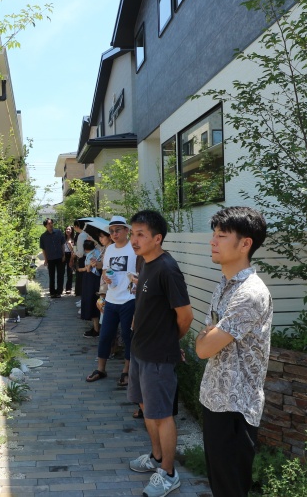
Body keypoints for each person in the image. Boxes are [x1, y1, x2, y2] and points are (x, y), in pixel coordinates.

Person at [195, 206, 271, 497]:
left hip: (236, 407)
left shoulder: (250, 292)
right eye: (214, 234)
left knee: (231, 489)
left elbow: (204, 347)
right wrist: (209, 337)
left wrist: (209, 337)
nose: (213, 241)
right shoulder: (225, 285)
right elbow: (204, 338)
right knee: (220, 486)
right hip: (215, 399)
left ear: (245, 244)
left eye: (222, 235)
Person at [126, 210, 193, 497]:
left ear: (157, 238)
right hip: (139, 350)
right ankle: (155, 458)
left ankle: (168, 473)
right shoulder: (145, 262)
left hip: (158, 356)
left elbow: (185, 316)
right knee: (146, 408)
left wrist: (169, 341)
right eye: (133, 234)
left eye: (140, 234)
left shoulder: (167, 268)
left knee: (162, 414)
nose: (134, 240)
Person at [86, 215, 136, 385]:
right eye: (112, 231)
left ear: (126, 230)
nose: (114, 234)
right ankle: (101, 369)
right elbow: (106, 270)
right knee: (105, 335)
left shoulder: (134, 247)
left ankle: (126, 371)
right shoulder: (110, 250)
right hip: (112, 299)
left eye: (118, 230)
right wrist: (106, 279)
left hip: (129, 299)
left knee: (128, 337)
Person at [79, 239, 102, 337]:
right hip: (97, 280)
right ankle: (97, 328)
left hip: (91, 281)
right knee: (95, 302)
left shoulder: (90, 255)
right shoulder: (98, 251)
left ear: (85, 248)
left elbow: (88, 269)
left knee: (91, 303)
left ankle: (96, 330)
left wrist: (82, 269)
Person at [39, 218, 66, 298]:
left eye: (51, 223)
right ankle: (52, 292)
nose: (51, 225)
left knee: (60, 275)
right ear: (45, 226)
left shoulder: (58, 232)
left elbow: (62, 244)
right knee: (51, 276)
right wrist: (45, 259)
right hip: (50, 258)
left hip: (59, 257)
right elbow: (43, 249)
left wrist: (64, 255)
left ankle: (59, 292)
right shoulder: (43, 236)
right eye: (49, 223)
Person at [63, 226, 75, 295]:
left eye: (69, 229)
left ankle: (68, 288)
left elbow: (73, 250)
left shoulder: (73, 239)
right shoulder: (63, 239)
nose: (67, 230)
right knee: (61, 272)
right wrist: (63, 256)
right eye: (67, 229)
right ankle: (60, 288)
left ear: (72, 231)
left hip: (70, 255)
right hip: (63, 255)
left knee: (69, 272)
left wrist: (70, 244)